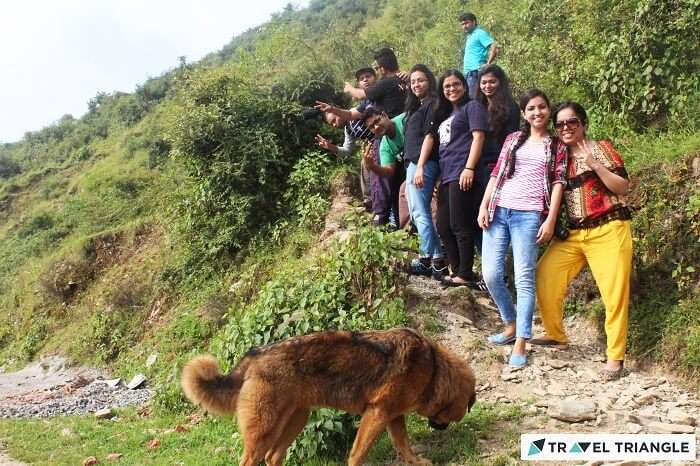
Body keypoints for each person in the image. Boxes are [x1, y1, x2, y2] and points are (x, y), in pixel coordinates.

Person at [534, 101, 633, 381]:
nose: (566, 127)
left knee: (614, 294)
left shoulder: (600, 147)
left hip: (610, 227)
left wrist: (595, 165)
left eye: (572, 122)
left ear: (583, 124)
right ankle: (555, 334)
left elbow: (623, 187)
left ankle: (615, 358)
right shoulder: (557, 157)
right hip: (576, 233)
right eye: (561, 124)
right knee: (545, 273)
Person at [477, 89, 567, 368]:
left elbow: (558, 184)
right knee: (490, 274)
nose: (537, 112)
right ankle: (511, 322)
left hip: (528, 216)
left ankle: (522, 340)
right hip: (499, 210)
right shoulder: (513, 139)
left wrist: (550, 218)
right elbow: (497, 174)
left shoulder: (556, 146)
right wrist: (484, 204)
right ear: (524, 113)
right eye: (531, 108)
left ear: (548, 110)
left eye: (541, 107)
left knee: (524, 278)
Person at [433, 70, 488, 287]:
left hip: (462, 171)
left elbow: (479, 136)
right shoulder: (447, 115)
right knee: (443, 225)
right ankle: (457, 271)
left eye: (456, 84)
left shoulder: (472, 107)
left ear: (464, 86)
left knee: (460, 224)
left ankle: (465, 272)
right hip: (446, 175)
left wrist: (469, 167)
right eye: (447, 86)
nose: (452, 89)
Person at [401, 64, 445, 278]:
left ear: (430, 81)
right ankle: (436, 258)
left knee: (420, 212)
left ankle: (428, 258)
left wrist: (419, 166)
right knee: (418, 212)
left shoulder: (433, 104)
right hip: (415, 164)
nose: (416, 84)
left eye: (421, 80)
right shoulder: (416, 107)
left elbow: (430, 136)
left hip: (423, 163)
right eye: (413, 81)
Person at [361, 107, 406, 229]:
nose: (376, 127)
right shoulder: (385, 145)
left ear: (385, 115)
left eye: (377, 121)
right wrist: (372, 166)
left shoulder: (404, 121)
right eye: (371, 127)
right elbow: (389, 172)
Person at [459, 12, 497, 98]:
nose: (464, 26)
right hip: (468, 74)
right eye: (462, 24)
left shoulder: (479, 33)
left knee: (474, 100)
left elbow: (493, 46)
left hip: (475, 72)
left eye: (466, 23)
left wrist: (488, 63)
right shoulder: (470, 36)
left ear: (474, 22)